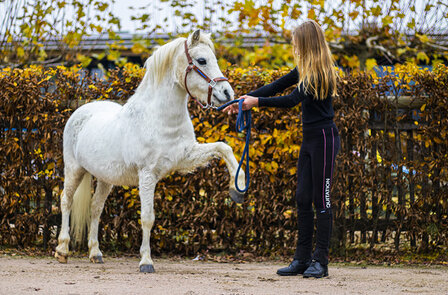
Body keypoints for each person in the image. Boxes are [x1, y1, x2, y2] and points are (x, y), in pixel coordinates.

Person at [222, 20, 340, 278]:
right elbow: (276, 85)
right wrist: (243, 101)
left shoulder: (320, 71)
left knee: (323, 199)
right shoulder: (303, 69)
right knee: (302, 198)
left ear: (306, 42)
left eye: (296, 41)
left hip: (324, 138)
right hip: (310, 139)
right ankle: (302, 258)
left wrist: (258, 102)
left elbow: (290, 100)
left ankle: (321, 260)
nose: (293, 45)